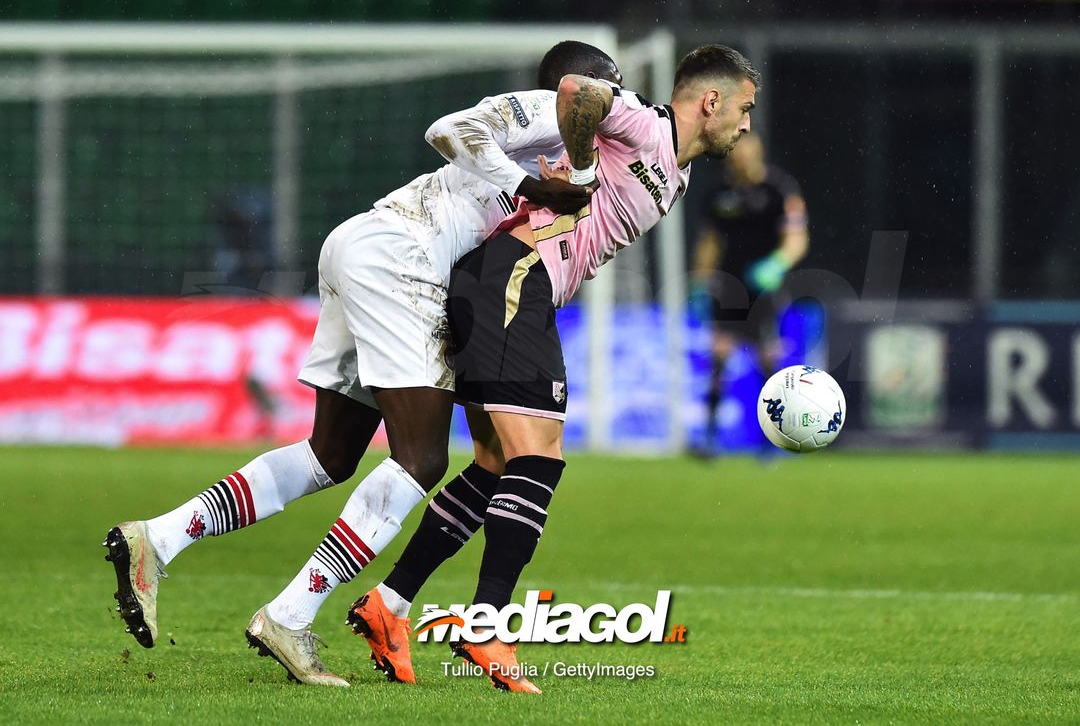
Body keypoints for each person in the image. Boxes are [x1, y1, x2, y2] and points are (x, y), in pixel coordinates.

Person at [103, 41, 623, 688]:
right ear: (580, 87)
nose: (619, 101)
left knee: (330, 454)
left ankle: (160, 538)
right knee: (422, 458)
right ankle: (291, 615)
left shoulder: (580, 159)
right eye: (612, 87)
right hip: (401, 261)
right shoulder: (548, 108)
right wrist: (525, 184)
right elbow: (450, 128)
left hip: (369, 247)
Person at [351, 44, 759, 694]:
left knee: (493, 465)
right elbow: (576, 90)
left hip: (506, 285)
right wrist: (585, 160)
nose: (745, 126)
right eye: (743, 108)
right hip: (512, 278)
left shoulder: (675, 172)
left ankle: (390, 605)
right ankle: (487, 624)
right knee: (539, 459)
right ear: (711, 101)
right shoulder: (644, 124)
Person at [689, 132, 809, 456]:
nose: (739, 158)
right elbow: (709, 243)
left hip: (764, 287)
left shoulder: (779, 189)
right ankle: (710, 440)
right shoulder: (719, 194)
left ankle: (773, 440)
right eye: (735, 153)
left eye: (746, 153)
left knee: (767, 361)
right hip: (726, 287)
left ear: (758, 154)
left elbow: (797, 238)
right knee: (719, 356)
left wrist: (777, 263)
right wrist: (700, 284)